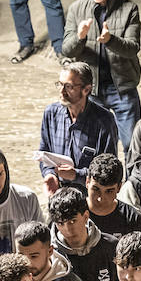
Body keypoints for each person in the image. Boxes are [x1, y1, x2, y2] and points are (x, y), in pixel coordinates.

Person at [62, 0, 141, 151]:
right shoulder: (76, 8)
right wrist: (80, 37)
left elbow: (132, 48)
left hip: (121, 88)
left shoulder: (129, 9)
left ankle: (131, 181)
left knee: (132, 144)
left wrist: (110, 40)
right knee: (96, 144)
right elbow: (67, 50)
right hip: (90, 91)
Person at [38, 61, 118, 194]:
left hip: (90, 197)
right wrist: (49, 174)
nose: (62, 91)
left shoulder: (105, 121)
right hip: (59, 194)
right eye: (60, 84)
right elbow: (44, 152)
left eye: (69, 86)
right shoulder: (51, 113)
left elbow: (108, 169)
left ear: (86, 89)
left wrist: (76, 175)